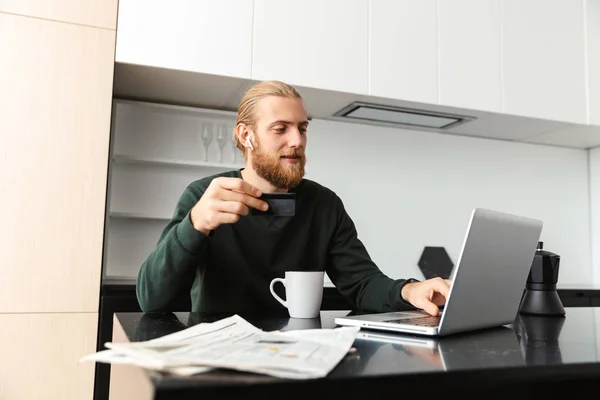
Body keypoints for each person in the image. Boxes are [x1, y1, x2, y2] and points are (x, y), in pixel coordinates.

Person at [136, 80, 451, 316]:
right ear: (247, 136)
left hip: (302, 357)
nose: (297, 140)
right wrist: (195, 224)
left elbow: (362, 283)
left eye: (302, 128)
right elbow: (152, 299)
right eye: (280, 128)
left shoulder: (323, 204)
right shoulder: (204, 197)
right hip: (220, 363)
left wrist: (409, 289)